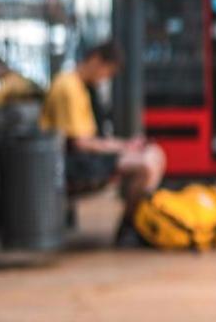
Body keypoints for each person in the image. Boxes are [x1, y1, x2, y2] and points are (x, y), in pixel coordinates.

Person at [41, 41, 166, 210]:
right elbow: (81, 143)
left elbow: (90, 139)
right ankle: (131, 223)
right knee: (147, 164)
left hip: (83, 157)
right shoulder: (67, 87)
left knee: (155, 154)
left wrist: (126, 145)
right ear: (96, 60)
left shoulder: (81, 87)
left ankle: (134, 223)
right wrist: (123, 147)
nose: (105, 78)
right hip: (71, 162)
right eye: (107, 71)